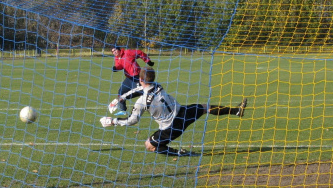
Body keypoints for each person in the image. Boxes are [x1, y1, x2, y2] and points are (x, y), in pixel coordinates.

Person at [100, 66, 248, 157]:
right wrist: (122, 98)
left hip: (170, 128)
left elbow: (133, 120)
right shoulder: (158, 85)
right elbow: (141, 89)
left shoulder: (141, 102)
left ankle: (180, 153)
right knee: (205, 107)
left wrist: (112, 121)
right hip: (183, 113)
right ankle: (236, 111)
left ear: (140, 79)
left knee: (149, 145)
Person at [110, 46, 154, 116]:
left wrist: (148, 61)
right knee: (121, 92)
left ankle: (154, 105)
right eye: (112, 51)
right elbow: (119, 65)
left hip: (137, 77)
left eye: (115, 50)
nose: (114, 52)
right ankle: (123, 110)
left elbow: (139, 52)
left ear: (119, 50)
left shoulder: (127, 52)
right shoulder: (117, 58)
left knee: (143, 92)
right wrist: (115, 68)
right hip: (129, 79)